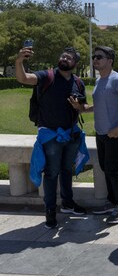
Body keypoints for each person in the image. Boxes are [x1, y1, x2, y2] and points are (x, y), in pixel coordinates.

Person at [15, 46, 87, 229]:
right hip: (51, 136)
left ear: (75, 64)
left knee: (66, 171)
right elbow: (23, 78)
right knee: (51, 173)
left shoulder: (78, 82)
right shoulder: (47, 76)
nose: (64, 58)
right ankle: (50, 211)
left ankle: (68, 203)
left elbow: (82, 108)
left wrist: (78, 105)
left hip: (70, 134)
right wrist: (19, 61)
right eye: (63, 55)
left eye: (69, 58)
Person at [69, 46, 118, 225]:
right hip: (101, 132)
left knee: (114, 170)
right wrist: (82, 108)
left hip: (115, 132)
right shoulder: (100, 81)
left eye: (99, 57)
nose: (95, 60)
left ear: (110, 60)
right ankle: (112, 202)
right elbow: (98, 106)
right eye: (94, 57)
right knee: (107, 168)